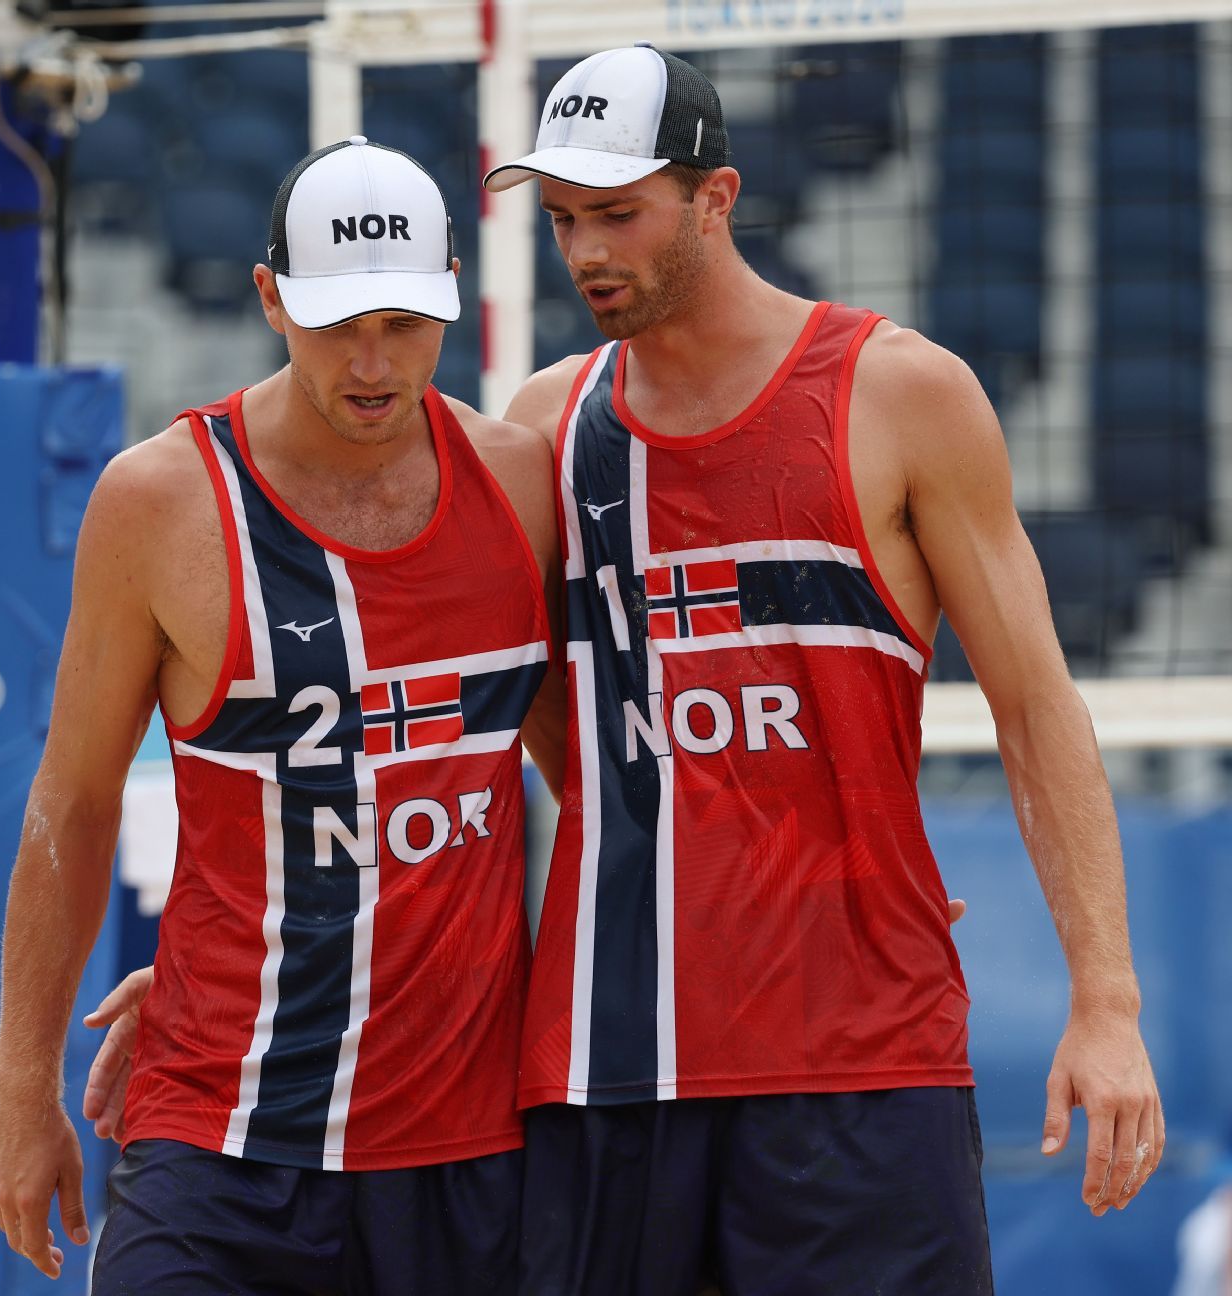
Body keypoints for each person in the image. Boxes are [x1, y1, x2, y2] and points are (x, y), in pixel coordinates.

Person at [481, 42, 1165, 1295]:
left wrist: (1107, 1004)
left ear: (717, 197)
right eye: (567, 218)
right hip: (609, 1061)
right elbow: (500, 712)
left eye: (619, 214)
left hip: (862, 1065)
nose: (585, 253)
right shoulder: (541, 428)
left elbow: (1035, 710)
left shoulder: (900, 393)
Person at [0, 136, 563, 1294]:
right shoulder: (161, 501)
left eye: (403, 321)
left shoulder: (522, 482)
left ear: (451, 293)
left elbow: (601, 781)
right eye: (335, 320)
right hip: (221, 1133)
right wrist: (19, 1087)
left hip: (469, 1147)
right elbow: (76, 801)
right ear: (268, 298)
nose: (371, 359)